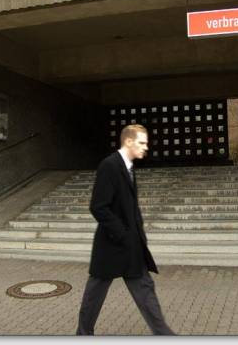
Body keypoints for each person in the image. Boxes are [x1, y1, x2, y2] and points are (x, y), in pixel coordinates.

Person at [76, 124, 174, 335]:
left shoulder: (129, 167)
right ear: (128, 141)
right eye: (142, 142)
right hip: (110, 245)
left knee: (145, 290)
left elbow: (130, 207)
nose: (146, 147)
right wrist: (122, 233)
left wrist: (139, 236)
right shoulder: (109, 166)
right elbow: (98, 207)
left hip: (131, 246)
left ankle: (164, 334)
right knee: (94, 294)